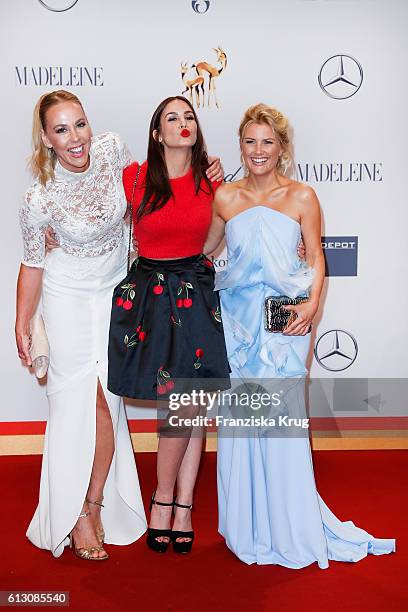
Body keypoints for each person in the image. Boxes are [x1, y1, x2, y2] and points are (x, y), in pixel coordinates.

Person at [205, 103, 395, 567]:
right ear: (241, 145)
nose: (258, 151)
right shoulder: (226, 198)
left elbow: (316, 259)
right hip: (240, 323)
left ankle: (288, 524)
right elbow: (205, 249)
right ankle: (248, 524)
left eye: (267, 142)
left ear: (282, 147)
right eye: (250, 141)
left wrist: (312, 304)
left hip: (287, 321)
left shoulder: (303, 197)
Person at [15, 90, 149, 560]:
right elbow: (32, 264)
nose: (76, 138)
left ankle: (93, 504)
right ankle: (79, 513)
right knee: (84, 400)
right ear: (47, 139)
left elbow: (145, 203)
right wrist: (22, 322)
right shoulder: (39, 198)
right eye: (62, 129)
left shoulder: (113, 150)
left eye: (80, 124)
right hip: (66, 295)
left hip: (115, 291)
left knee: (109, 400)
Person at [108, 96, 230, 554]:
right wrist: (53, 232)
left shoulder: (213, 182)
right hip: (151, 297)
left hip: (195, 292)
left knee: (192, 403)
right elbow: (102, 222)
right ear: (156, 133)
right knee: (178, 406)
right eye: (172, 118)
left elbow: (218, 238)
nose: (184, 124)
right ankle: (166, 498)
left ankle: (179, 503)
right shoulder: (133, 177)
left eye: (190, 116)